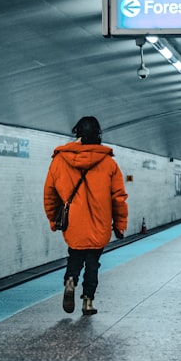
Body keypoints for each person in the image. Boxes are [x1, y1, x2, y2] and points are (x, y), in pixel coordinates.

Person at [44, 116, 128, 315]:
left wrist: (53, 218)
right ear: (98, 135)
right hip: (99, 223)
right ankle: (88, 301)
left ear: (77, 134)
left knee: (75, 255)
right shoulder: (109, 163)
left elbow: (50, 193)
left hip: (74, 222)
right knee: (93, 263)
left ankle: (71, 280)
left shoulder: (59, 161)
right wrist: (120, 223)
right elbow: (118, 198)